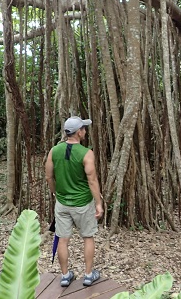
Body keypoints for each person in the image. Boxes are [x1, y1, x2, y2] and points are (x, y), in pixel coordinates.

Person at [45, 116, 104, 287]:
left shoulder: (54, 151)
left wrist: (56, 193)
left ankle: (65, 276)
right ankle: (88, 275)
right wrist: (98, 203)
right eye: (84, 129)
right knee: (88, 237)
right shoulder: (86, 153)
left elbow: (49, 176)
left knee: (62, 239)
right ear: (79, 132)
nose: (85, 131)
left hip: (62, 204)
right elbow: (92, 181)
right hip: (83, 204)